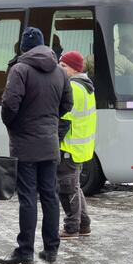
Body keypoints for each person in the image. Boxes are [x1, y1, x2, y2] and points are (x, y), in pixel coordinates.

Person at [0, 27, 73, 264]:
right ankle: (51, 249)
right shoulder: (60, 72)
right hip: (50, 144)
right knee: (50, 195)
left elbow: (10, 105)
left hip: (25, 144)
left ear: (24, 47)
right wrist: (51, 121)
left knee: (28, 198)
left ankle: (25, 251)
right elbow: (67, 103)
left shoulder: (20, 70)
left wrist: (14, 124)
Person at [57, 51, 96, 239]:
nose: (59, 68)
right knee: (75, 186)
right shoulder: (86, 86)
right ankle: (84, 225)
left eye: (63, 66)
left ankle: (72, 227)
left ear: (74, 69)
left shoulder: (73, 87)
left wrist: (54, 141)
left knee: (66, 187)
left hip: (69, 147)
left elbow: (64, 119)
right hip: (80, 147)